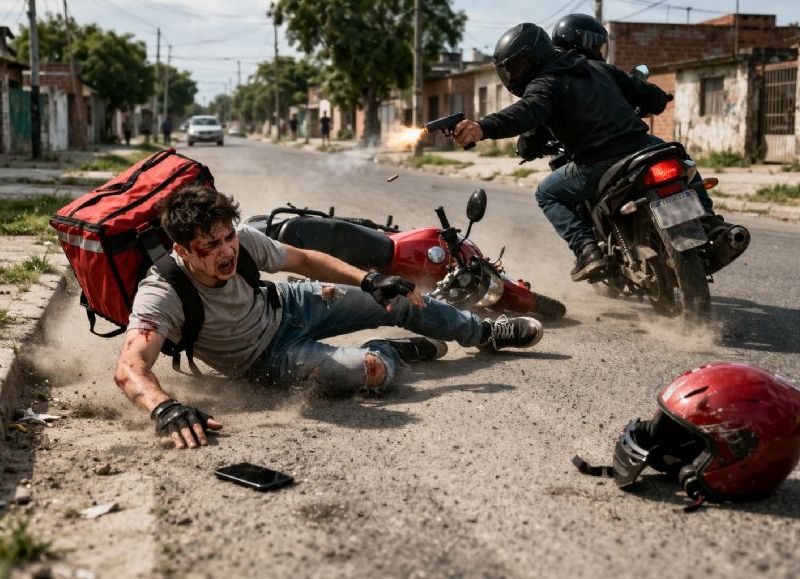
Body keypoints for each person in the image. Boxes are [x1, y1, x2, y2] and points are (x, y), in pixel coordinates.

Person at [114, 186, 544, 450]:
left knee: (398, 295)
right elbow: (130, 368)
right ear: (182, 250)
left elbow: (303, 260)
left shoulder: (241, 242)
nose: (227, 251)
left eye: (228, 237)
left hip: (294, 303)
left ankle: (484, 332)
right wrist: (163, 408)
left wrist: (371, 279)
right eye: (210, 245)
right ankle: (393, 350)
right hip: (270, 359)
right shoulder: (162, 292)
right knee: (371, 370)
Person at [453, 23, 740, 282]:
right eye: (509, 69)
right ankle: (711, 224)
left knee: (547, 193)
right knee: (679, 158)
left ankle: (588, 251)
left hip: (598, 163)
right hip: (642, 146)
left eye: (516, 67)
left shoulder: (545, 84)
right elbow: (646, 93)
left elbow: (525, 113)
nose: (513, 75)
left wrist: (482, 127)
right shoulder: (598, 68)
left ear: (533, 57)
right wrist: (658, 98)